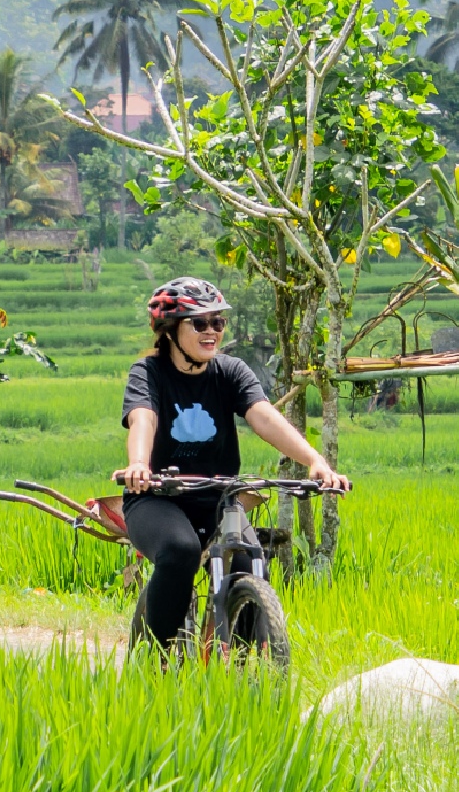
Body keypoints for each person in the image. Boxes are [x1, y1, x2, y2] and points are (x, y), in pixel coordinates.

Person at [119, 277, 348, 648]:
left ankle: (240, 662)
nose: (211, 331)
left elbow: (263, 416)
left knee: (249, 562)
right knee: (180, 551)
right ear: (169, 330)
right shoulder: (149, 373)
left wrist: (315, 461)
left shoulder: (231, 371)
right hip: (157, 497)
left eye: (218, 322)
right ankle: (157, 655)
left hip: (219, 498)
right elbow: (143, 418)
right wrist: (139, 464)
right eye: (199, 323)